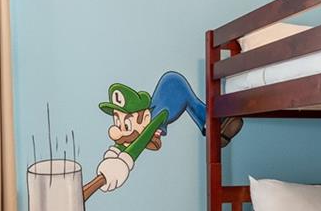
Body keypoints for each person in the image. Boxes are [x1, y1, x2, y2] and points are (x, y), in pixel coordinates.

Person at [94, 72, 241, 193]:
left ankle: (211, 124)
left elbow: (140, 142)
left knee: (185, 95)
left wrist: (122, 161)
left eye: (125, 124)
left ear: (144, 117)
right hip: (172, 89)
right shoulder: (144, 124)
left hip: (173, 89)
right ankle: (211, 123)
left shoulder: (156, 117)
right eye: (118, 122)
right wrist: (114, 155)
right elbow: (130, 142)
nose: (119, 129)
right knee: (191, 100)